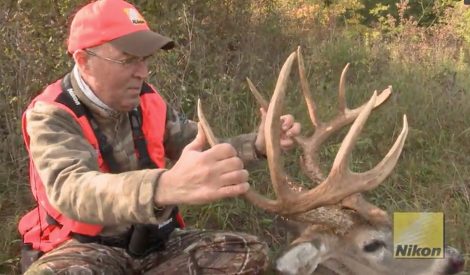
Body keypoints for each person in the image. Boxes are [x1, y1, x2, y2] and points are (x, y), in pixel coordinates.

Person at [19, 0, 301, 274]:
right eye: (128, 60)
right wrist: (164, 187)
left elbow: (200, 147)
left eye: (144, 60)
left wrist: (257, 144)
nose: (142, 72)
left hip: (155, 243)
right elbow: (72, 190)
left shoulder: (147, 101)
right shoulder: (51, 114)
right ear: (84, 61)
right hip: (86, 249)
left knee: (248, 252)